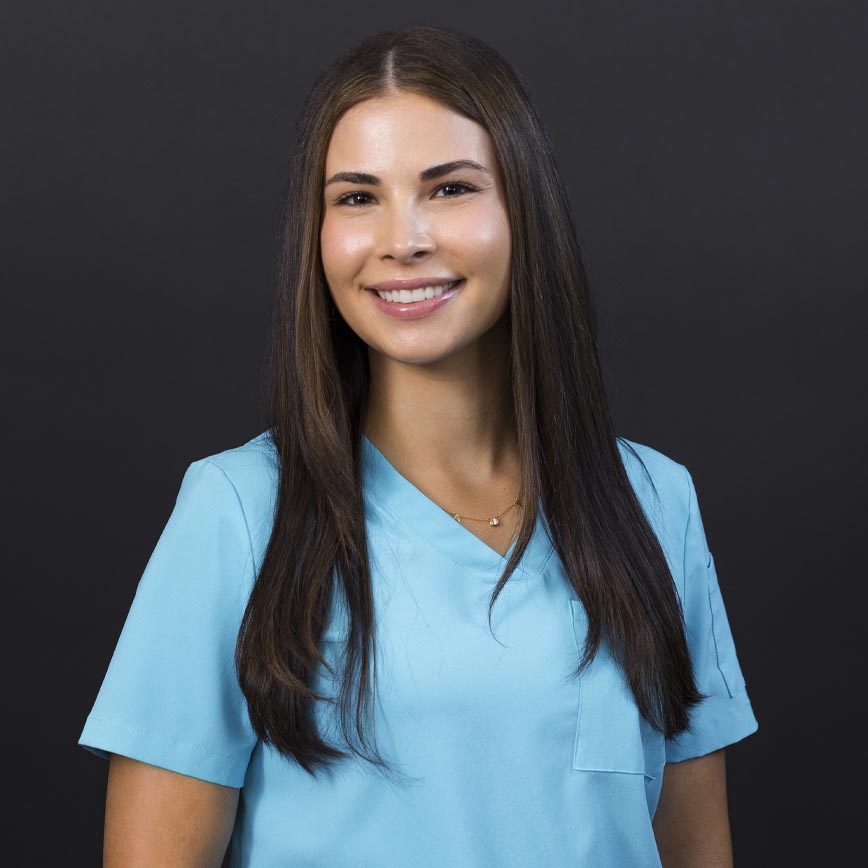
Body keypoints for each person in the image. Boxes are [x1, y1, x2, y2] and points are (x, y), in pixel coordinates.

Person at [78, 23, 759, 867]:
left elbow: (696, 850)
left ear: (525, 209)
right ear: (317, 234)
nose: (402, 239)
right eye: (357, 197)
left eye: (449, 188)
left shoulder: (655, 501)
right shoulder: (240, 513)